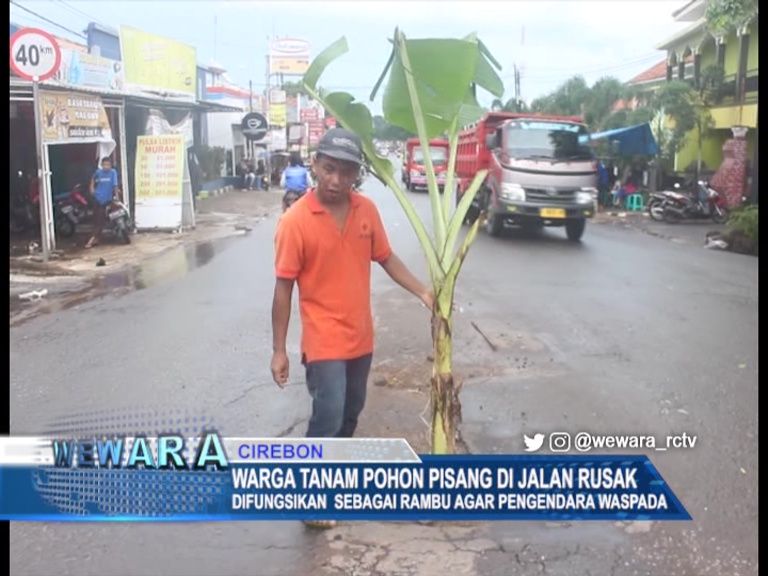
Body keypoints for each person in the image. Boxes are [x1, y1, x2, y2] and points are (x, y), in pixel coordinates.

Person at [271, 129, 433, 527]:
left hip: (360, 336)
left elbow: (386, 257)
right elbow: (283, 288)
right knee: (327, 415)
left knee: (350, 415)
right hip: (323, 338)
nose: (336, 180)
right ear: (315, 165)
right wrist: (278, 350)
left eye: (346, 172)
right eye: (329, 169)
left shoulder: (366, 211)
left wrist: (424, 292)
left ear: (356, 174)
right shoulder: (295, 222)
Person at [85, 157, 119, 248]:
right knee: (97, 220)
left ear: (111, 165)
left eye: (108, 165)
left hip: (107, 200)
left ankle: (94, 239)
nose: (106, 167)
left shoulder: (113, 173)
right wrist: (91, 188)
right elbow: (92, 179)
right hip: (97, 198)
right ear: (102, 165)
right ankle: (94, 239)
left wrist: (117, 198)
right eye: (104, 165)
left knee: (102, 220)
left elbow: (115, 186)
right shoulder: (98, 172)